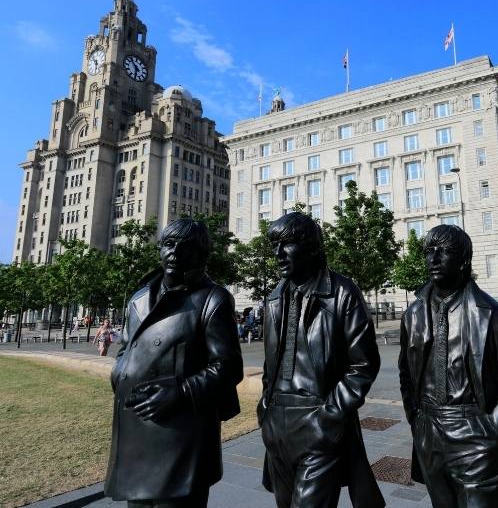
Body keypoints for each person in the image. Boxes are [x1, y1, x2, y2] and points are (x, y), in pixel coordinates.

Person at [104, 218, 244, 507]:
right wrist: (120, 374)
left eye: (186, 247)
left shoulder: (212, 300)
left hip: (182, 436)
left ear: (202, 256)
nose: (175, 253)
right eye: (169, 244)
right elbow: (125, 348)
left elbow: (228, 367)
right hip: (136, 430)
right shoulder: (139, 299)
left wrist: (181, 391)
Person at [257, 212, 384, 508]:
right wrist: (265, 408)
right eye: (274, 245)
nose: (277, 254)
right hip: (277, 425)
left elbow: (364, 364)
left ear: (311, 246)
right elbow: (269, 364)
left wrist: (329, 415)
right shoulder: (274, 298)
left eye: (286, 244)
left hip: (318, 420)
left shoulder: (342, 293)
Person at [398, 225, 498, 507]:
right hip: (429, 430)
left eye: (444, 251)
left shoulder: (489, 313)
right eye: (429, 251)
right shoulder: (413, 314)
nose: (434, 259)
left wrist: (493, 431)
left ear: (464, 260)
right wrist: (417, 420)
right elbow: (406, 372)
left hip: (476, 433)